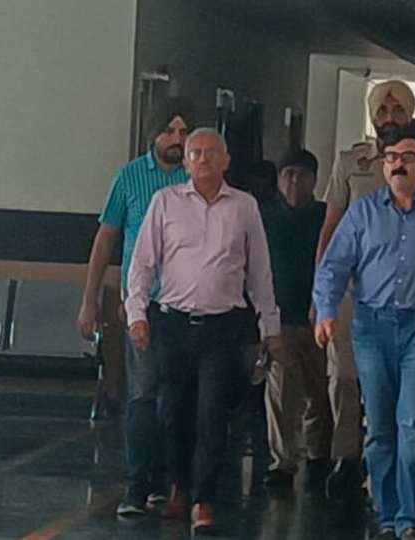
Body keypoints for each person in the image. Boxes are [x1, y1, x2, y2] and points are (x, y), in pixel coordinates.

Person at [313, 124, 415, 540]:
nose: (398, 164)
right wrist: (326, 311)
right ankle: (386, 516)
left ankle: (410, 519)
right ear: (383, 166)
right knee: (380, 427)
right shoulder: (362, 213)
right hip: (372, 328)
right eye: (391, 158)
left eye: (407, 157)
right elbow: (333, 266)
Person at [125, 128, 283, 533]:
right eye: (195, 153)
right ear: (186, 162)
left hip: (223, 327)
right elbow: (142, 264)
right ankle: (179, 485)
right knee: (173, 412)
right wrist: (136, 314)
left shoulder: (244, 207)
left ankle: (204, 498)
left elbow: (259, 272)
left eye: (211, 152)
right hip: (173, 324)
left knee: (213, 413)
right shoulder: (165, 202)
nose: (203, 159)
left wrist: (270, 324)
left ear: (226, 160)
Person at [74, 99, 194, 518]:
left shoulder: (194, 178)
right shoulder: (128, 178)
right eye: (170, 131)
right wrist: (90, 299)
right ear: (153, 134)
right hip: (140, 303)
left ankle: (168, 481)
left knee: (174, 395)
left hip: (184, 304)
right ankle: (138, 483)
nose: (177, 139)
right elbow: (106, 239)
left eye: (184, 132)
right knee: (143, 393)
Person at [259, 150, 332, 490]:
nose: (294, 181)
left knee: (322, 392)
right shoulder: (264, 217)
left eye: (302, 174)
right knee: (280, 394)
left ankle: (318, 456)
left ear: (314, 180)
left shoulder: (326, 216)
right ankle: (282, 462)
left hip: (319, 319)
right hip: (279, 319)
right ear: (278, 179)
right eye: (287, 173)